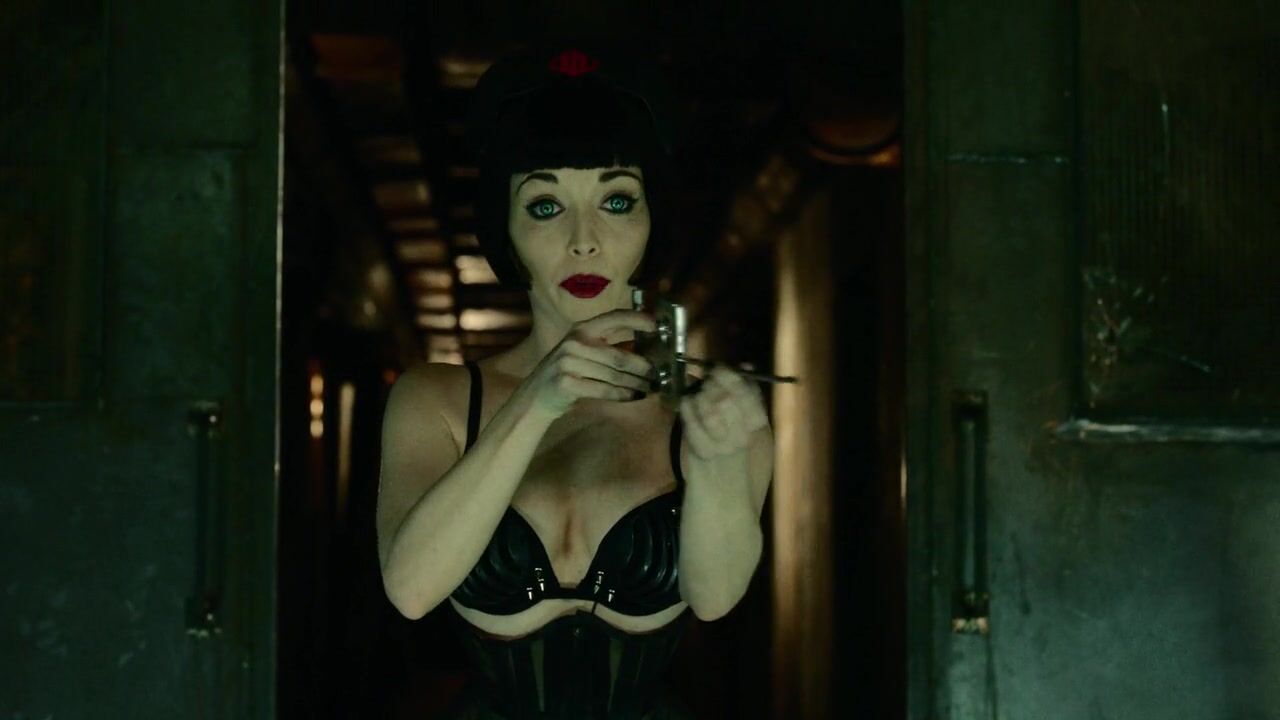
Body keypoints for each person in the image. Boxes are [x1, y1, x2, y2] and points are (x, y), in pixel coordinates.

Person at [376, 42, 774, 719]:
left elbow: (716, 598)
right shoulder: (434, 399)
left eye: (617, 201)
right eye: (544, 205)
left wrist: (720, 462)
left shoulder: (709, 411)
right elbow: (411, 590)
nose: (584, 240)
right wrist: (536, 402)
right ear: (504, 227)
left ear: (652, 219)